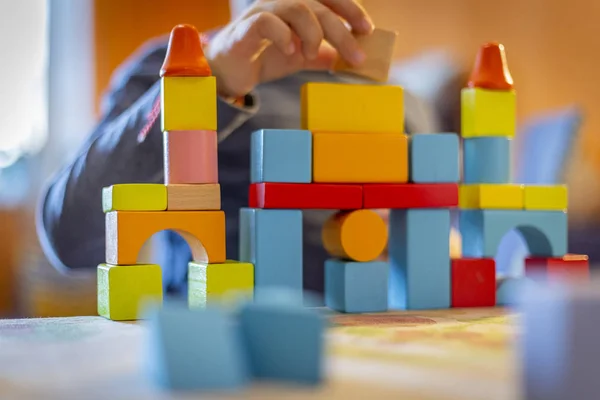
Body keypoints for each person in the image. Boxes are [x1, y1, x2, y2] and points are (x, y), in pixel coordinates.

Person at [37, 0, 428, 297]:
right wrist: (208, 81)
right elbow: (69, 238)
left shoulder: (403, 100)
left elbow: (433, 238)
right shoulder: (176, 62)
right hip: (217, 331)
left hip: (369, 332)